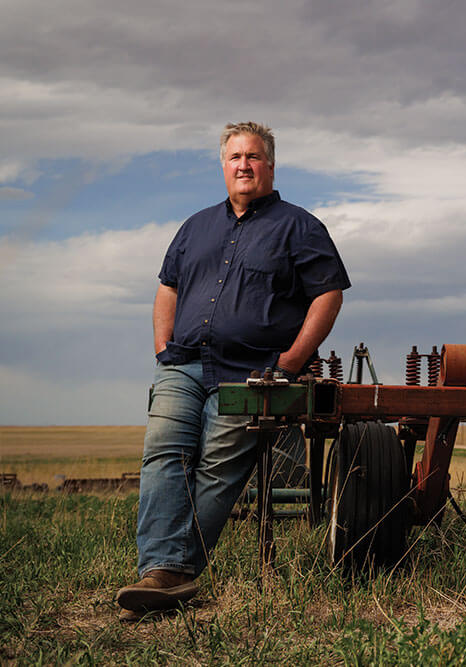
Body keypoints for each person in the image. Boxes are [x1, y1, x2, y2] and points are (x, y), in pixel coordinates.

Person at [115, 122, 350, 621]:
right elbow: (168, 288)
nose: (244, 164)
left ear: (270, 165)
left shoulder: (300, 226)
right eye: (235, 157)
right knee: (163, 454)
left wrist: (288, 363)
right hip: (182, 364)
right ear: (224, 166)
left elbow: (328, 294)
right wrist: (163, 345)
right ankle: (162, 570)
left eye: (254, 156)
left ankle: (172, 573)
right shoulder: (195, 227)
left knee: (219, 463)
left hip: (251, 371)